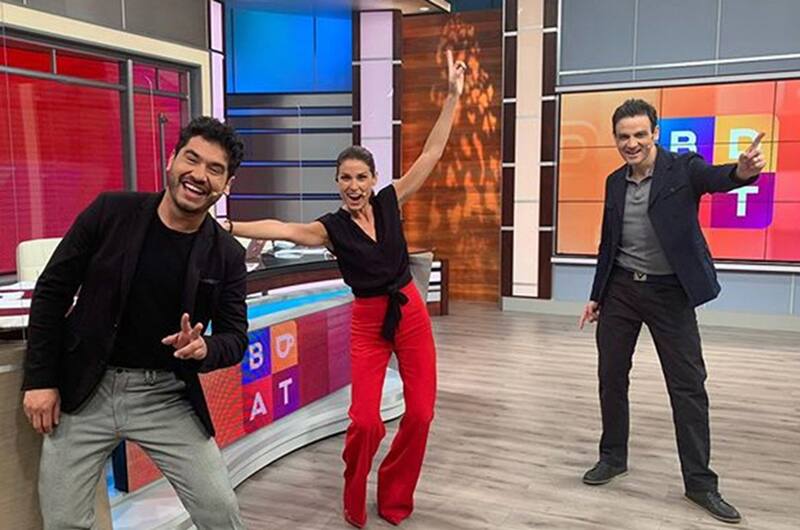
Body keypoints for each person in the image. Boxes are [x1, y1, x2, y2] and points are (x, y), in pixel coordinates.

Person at [226, 50, 466, 528]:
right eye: (345, 178)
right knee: (366, 422)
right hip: (368, 322)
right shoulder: (330, 228)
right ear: (336, 183)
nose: (354, 185)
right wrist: (230, 225)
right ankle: (354, 493)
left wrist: (453, 97)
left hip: (409, 311)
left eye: (361, 177)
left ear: (373, 180)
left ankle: (394, 493)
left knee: (420, 414)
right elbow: (283, 227)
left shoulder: (391, 200)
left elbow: (432, 154)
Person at [22, 117, 248, 529]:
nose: (199, 175)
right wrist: (40, 380)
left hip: (166, 394)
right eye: (192, 159)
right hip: (85, 387)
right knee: (63, 521)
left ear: (226, 185)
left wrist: (204, 349)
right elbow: (52, 291)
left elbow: (235, 338)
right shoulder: (111, 212)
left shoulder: (227, 254)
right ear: (171, 159)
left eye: (215, 169)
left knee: (220, 511)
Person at [578, 99, 765, 524]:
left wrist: (742, 173)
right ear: (615, 139)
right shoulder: (614, 182)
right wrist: (596, 296)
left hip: (670, 292)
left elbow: (718, 177)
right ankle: (613, 457)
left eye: (640, 135)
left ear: (655, 133)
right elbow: (608, 243)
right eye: (624, 136)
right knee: (611, 377)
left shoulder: (682, 169)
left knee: (688, 386)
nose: (632, 143)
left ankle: (700, 483)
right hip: (621, 290)